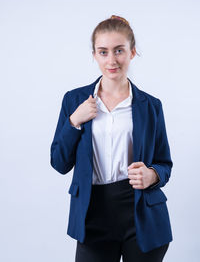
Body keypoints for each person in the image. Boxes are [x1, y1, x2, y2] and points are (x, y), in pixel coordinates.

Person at [50, 15, 173, 262]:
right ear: (94, 55)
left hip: (141, 215)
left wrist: (152, 175)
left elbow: (164, 164)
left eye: (119, 50)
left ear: (132, 52)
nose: (112, 60)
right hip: (92, 214)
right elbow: (59, 163)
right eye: (103, 52)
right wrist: (74, 121)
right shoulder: (74, 101)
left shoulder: (151, 106)